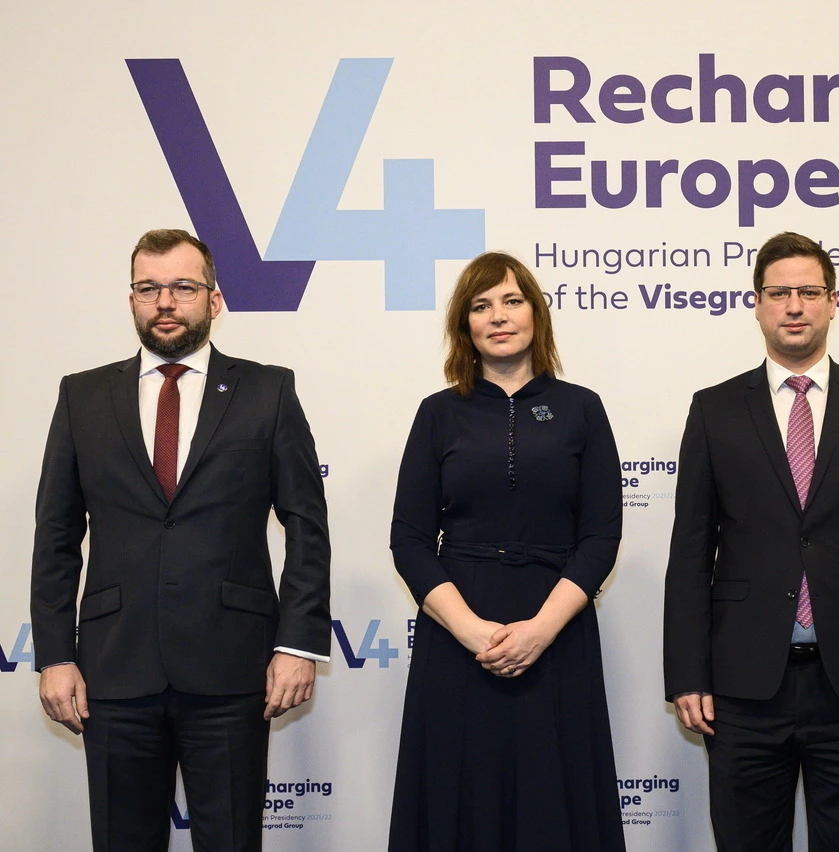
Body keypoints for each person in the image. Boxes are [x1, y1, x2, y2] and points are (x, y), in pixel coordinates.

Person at [30, 228, 331, 851]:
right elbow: (56, 537)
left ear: (214, 300)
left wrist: (298, 644)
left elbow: (307, 526)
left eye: (183, 287)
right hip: (113, 671)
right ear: (132, 300)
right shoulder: (82, 395)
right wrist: (56, 656)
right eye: (149, 288)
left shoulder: (268, 391)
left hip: (232, 668)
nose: (165, 302)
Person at [663, 231, 839, 851]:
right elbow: (689, 556)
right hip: (742, 688)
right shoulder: (714, 410)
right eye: (779, 293)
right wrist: (686, 674)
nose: (794, 306)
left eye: (810, 292)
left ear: (833, 302)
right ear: (757, 304)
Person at [388, 251, 625, 851]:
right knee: (457, 798)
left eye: (512, 301)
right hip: (458, 638)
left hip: (557, 631)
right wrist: (471, 631)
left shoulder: (582, 408)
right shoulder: (438, 414)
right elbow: (409, 540)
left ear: (536, 314)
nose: (498, 316)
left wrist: (541, 631)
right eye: (481, 305)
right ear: (464, 325)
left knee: (556, 800)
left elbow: (601, 536)